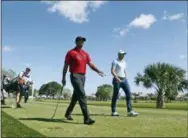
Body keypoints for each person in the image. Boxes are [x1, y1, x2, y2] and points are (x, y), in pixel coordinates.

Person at [62, 36, 104, 125]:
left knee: (76, 97)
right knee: (82, 95)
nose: (82, 43)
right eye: (80, 41)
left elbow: (90, 64)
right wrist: (63, 78)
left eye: (83, 42)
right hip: (74, 75)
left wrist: (98, 71)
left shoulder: (85, 54)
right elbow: (66, 66)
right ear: (76, 42)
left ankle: (67, 113)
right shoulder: (71, 53)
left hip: (82, 76)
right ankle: (87, 118)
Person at [111, 50, 138, 117]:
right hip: (117, 80)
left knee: (129, 94)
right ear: (119, 54)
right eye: (122, 54)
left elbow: (124, 70)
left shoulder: (124, 62)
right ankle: (113, 111)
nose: (123, 56)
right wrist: (117, 78)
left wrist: (126, 76)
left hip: (124, 80)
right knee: (116, 95)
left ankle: (130, 111)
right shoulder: (115, 61)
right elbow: (112, 71)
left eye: (124, 54)